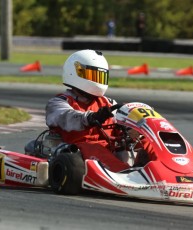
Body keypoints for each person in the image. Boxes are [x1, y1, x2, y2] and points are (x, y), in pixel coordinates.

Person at [25, 50, 153, 171]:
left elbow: (123, 122)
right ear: (75, 72)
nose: (97, 81)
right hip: (76, 152)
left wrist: (133, 128)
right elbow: (69, 117)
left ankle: (164, 173)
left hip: (110, 149)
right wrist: (91, 117)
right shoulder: (59, 102)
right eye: (93, 75)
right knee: (94, 147)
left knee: (148, 142)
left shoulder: (108, 103)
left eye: (100, 76)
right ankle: (126, 175)